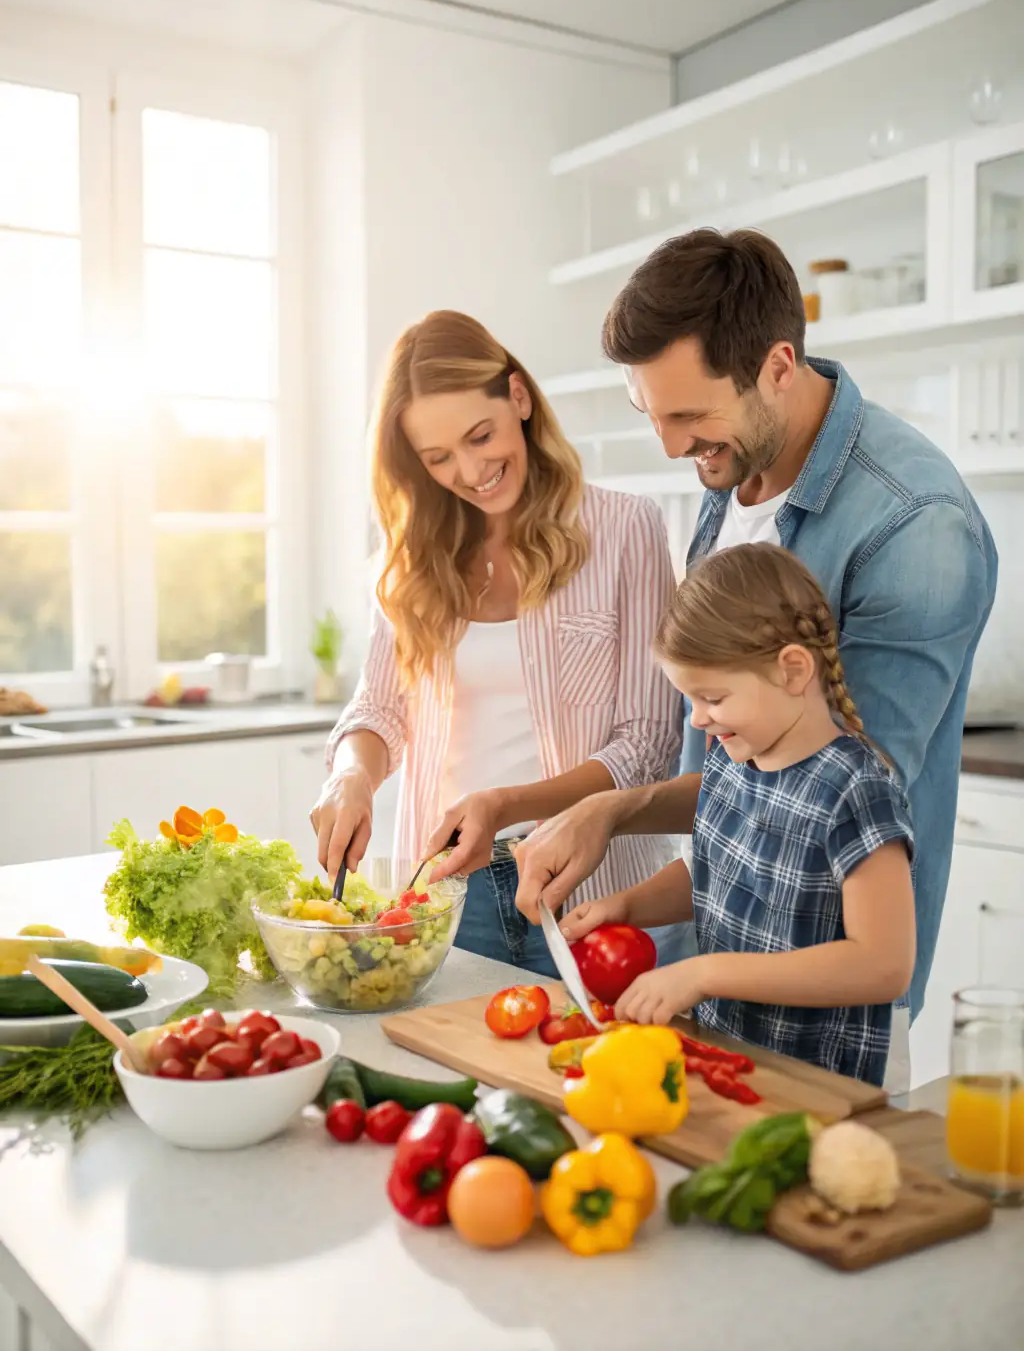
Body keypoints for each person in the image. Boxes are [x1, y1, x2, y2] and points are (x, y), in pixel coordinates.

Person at [514, 229, 997, 1086]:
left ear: (778, 365)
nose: (671, 446)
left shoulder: (917, 527)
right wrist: (612, 817)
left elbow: (815, 790)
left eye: (689, 417)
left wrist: (618, 811)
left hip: (825, 1026)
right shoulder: (737, 468)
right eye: (653, 416)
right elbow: (741, 802)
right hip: (719, 988)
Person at [310, 309, 683, 978]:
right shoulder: (412, 560)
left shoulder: (627, 529)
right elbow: (378, 710)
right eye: (438, 457)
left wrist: (506, 803)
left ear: (518, 396)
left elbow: (647, 744)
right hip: (450, 890)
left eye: (480, 436)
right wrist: (350, 775)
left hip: (583, 888)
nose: (471, 468)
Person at [560, 543, 915, 1086]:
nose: (700, 720)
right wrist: (627, 906)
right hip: (732, 1057)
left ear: (793, 669)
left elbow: (883, 965)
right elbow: (716, 874)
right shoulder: (733, 756)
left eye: (714, 698)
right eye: (691, 701)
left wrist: (706, 973)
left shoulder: (857, 790)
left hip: (818, 1084)